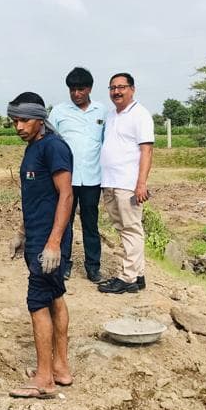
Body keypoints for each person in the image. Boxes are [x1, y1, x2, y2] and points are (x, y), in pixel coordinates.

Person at [6, 92, 74, 398]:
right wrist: (22, 233)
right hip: (37, 237)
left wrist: (54, 243)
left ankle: (44, 378)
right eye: (14, 121)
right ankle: (60, 368)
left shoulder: (54, 147)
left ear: (40, 118)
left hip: (49, 241)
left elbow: (66, 195)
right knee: (55, 296)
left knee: (37, 303)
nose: (18, 127)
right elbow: (36, 197)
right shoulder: (33, 147)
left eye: (24, 120)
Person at [48, 66, 107, 282]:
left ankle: (93, 266)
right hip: (66, 179)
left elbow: (106, 143)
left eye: (81, 89)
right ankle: (64, 263)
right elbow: (49, 142)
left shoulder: (102, 111)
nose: (76, 94)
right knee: (64, 222)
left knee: (91, 224)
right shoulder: (59, 112)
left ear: (89, 88)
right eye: (72, 90)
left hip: (92, 178)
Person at [98, 72, 154, 294]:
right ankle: (138, 275)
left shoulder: (140, 115)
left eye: (121, 87)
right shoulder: (111, 115)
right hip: (109, 182)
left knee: (131, 228)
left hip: (127, 184)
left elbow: (147, 150)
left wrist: (141, 184)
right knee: (123, 229)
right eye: (112, 88)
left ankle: (127, 278)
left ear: (132, 89)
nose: (116, 91)